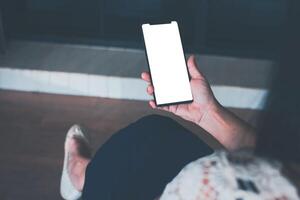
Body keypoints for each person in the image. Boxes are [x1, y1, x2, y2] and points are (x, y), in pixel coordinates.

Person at [60, 2, 300, 199]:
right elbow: (280, 159)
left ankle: (82, 174)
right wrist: (208, 113)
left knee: (137, 155)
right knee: (152, 134)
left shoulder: (213, 180)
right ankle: (85, 173)